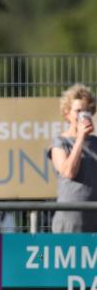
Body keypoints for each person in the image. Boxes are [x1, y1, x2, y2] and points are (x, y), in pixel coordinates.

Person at [49, 84, 97, 232]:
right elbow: (68, 172)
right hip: (69, 219)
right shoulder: (60, 142)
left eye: (87, 111)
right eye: (78, 111)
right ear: (67, 114)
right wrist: (80, 138)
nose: (83, 115)